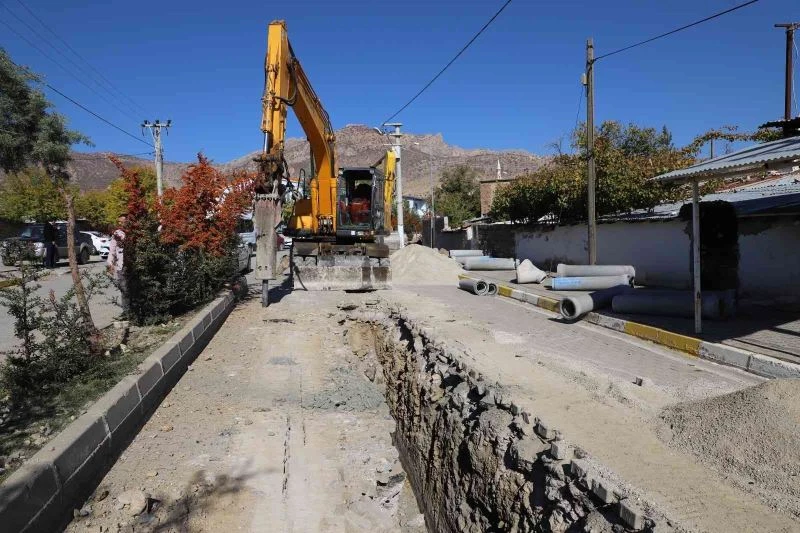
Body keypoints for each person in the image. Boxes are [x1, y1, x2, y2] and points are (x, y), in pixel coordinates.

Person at [107, 215, 129, 313]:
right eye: (119, 222)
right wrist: (110, 264)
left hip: (133, 264)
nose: (120, 224)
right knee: (124, 289)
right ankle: (126, 312)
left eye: (122, 221)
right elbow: (112, 250)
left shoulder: (134, 232)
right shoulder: (117, 234)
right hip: (121, 265)